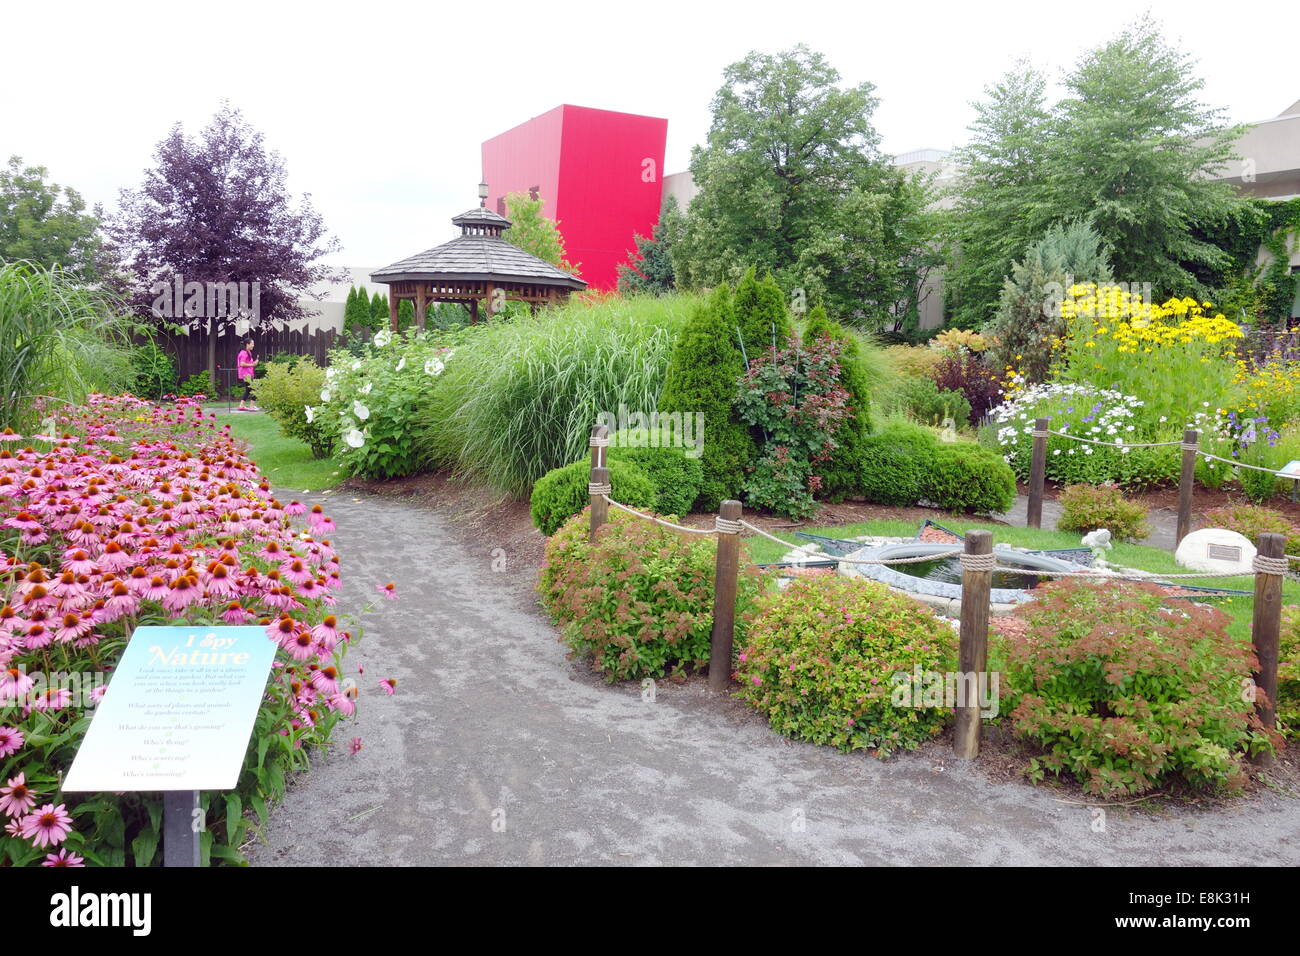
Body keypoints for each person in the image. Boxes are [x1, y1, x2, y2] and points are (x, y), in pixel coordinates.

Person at [236, 339, 258, 410]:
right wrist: (253, 364)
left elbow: (248, 363)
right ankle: (251, 406)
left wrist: (253, 363)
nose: (253, 345)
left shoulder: (247, 352)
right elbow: (242, 364)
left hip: (248, 374)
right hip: (246, 375)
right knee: (256, 389)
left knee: (248, 390)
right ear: (247, 344)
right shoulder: (244, 353)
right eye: (252, 344)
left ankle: (241, 406)